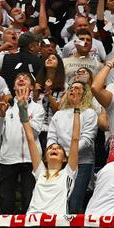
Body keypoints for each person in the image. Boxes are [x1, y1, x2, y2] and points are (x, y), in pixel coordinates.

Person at [0, 73, 46, 214]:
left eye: (25, 78)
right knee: (6, 201)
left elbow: (34, 133)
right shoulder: (6, 106)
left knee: (30, 200)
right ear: (13, 87)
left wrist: (23, 108)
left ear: (31, 87)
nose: (21, 79)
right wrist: (1, 114)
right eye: (18, 78)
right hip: (8, 159)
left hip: (31, 159)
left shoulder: (38, 108)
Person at [24, 85, 80, 215]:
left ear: (65, 158)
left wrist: (76, 108)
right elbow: (30, 139)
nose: (54, 148)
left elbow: (75, 140)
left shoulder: (68, 173)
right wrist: (23, 110)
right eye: (51, 148)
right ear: (45, 157)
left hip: (57, 224)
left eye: (58, 148)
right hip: (33, 222)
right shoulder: (40, 171)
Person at [46, 80, 98, 213]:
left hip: (82, 163)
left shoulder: (90, 113)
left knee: (75, 202)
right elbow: (51, 137)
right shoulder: (59, 114)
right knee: (60, 201)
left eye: (77, 88)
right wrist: (55, 153)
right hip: (60, 163)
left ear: (84, 93)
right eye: (71, 88)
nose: (73, 90)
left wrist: (68, 154)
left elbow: (87, 140)